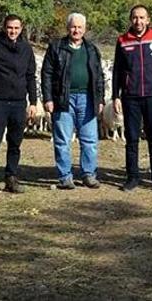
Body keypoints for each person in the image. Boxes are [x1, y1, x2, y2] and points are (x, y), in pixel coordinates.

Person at [112, 5, 152, 192]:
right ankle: (132, 177)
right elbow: (117, 71)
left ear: (148, 19)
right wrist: (115, 96)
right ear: (131, 19)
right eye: (135, 17)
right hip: (130, 96)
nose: (138, 21)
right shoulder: (122, 40)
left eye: (142, 17)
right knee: (132, 138)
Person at [41, 12, 105, 190]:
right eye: (73, 27)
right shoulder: (56, 47)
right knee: (62, 140)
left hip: (88, 98)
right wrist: (48, 98)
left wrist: (100, 99)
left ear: (85, 29)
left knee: (90, 139)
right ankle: (65, 177)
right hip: (63, 98)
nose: (76, 30)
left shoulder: (92, 49)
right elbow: (46, 74)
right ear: (68, 28)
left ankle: (89, 174)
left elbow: (99, 76)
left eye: (79, 27)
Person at [0, 14, 38, 197]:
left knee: (15, 143)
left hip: (19, 103)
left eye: (16, 28)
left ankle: (11, 178)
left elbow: (31, 76)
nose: (13, 31)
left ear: (21, 29)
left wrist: (33, 102)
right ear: (4, 28)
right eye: (10, 27)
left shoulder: (26, 49)